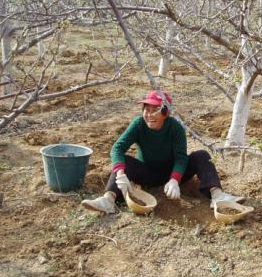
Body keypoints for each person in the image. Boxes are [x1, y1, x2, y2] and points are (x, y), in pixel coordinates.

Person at [82, 89, 244, 214]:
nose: (150, 114)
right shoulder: (138, 124)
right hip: (147, 173)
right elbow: (117, 148)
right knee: (125, 161)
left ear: (166, 112)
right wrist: (120, 174)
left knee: (201, 155)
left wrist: (174, 180)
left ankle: (216, 195)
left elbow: (181, 158)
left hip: (172, 174)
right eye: (147, 109)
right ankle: (109, 200)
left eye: (156, 110)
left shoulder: (175, 127)